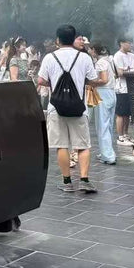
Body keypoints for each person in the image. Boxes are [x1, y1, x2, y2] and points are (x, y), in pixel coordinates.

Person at [37, 24, 103, 194]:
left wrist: (54, 84)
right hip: (78, 108)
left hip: (56, 108)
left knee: (62, 146)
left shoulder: (49, 57)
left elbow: (41, 80)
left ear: (57, 40)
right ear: (74, 39)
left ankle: (67, 182)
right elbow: (93, 79)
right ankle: (84, 180)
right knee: (83, 145)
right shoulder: (84, 57)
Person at [113, 38, 134, 145]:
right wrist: (132, 72)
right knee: (121, 114)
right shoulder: (118, 56)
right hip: (122, 88)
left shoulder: (131, 55)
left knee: (127, 113)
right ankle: (120, 137)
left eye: (130, 43)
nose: (130, 45)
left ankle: (126, 135)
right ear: (121, 43)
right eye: (128, 43)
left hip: (131, 87)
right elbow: (120, 73)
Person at [92, 43, 117, 165]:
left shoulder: (100, 63)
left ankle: (108, 155)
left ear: (94, 50)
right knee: (109, 124)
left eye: (91, 49)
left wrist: (91, 82)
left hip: (103, 93)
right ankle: (106, 151)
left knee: (102, 125)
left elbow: (104, 79)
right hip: (111, 92)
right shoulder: (109, 60)